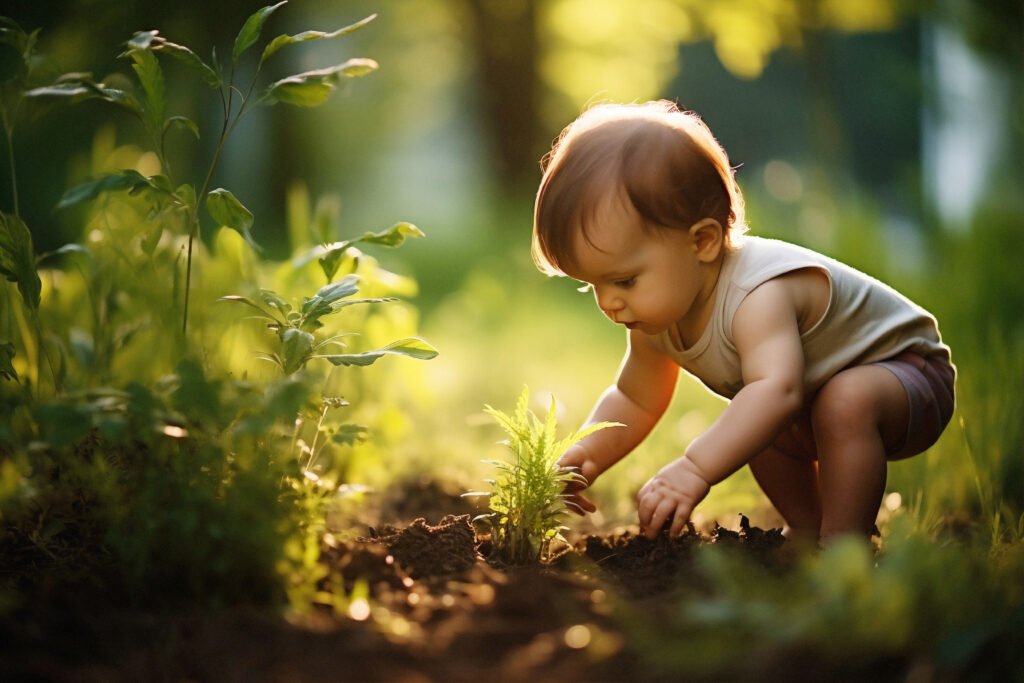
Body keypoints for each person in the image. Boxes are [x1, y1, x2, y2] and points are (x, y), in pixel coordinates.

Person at [532, 100, 955, 544]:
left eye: (623, 280)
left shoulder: (757, 293)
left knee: (813, 401)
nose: (609, 303)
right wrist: (585, 455)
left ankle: (844, 548)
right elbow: (634, 398)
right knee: (755, 423)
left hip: (909, 377)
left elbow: (779, 389)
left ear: (703, 242)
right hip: (814, 402)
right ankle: (806, 531)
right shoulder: (655, 317)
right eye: (592, 285)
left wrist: (693, 469)